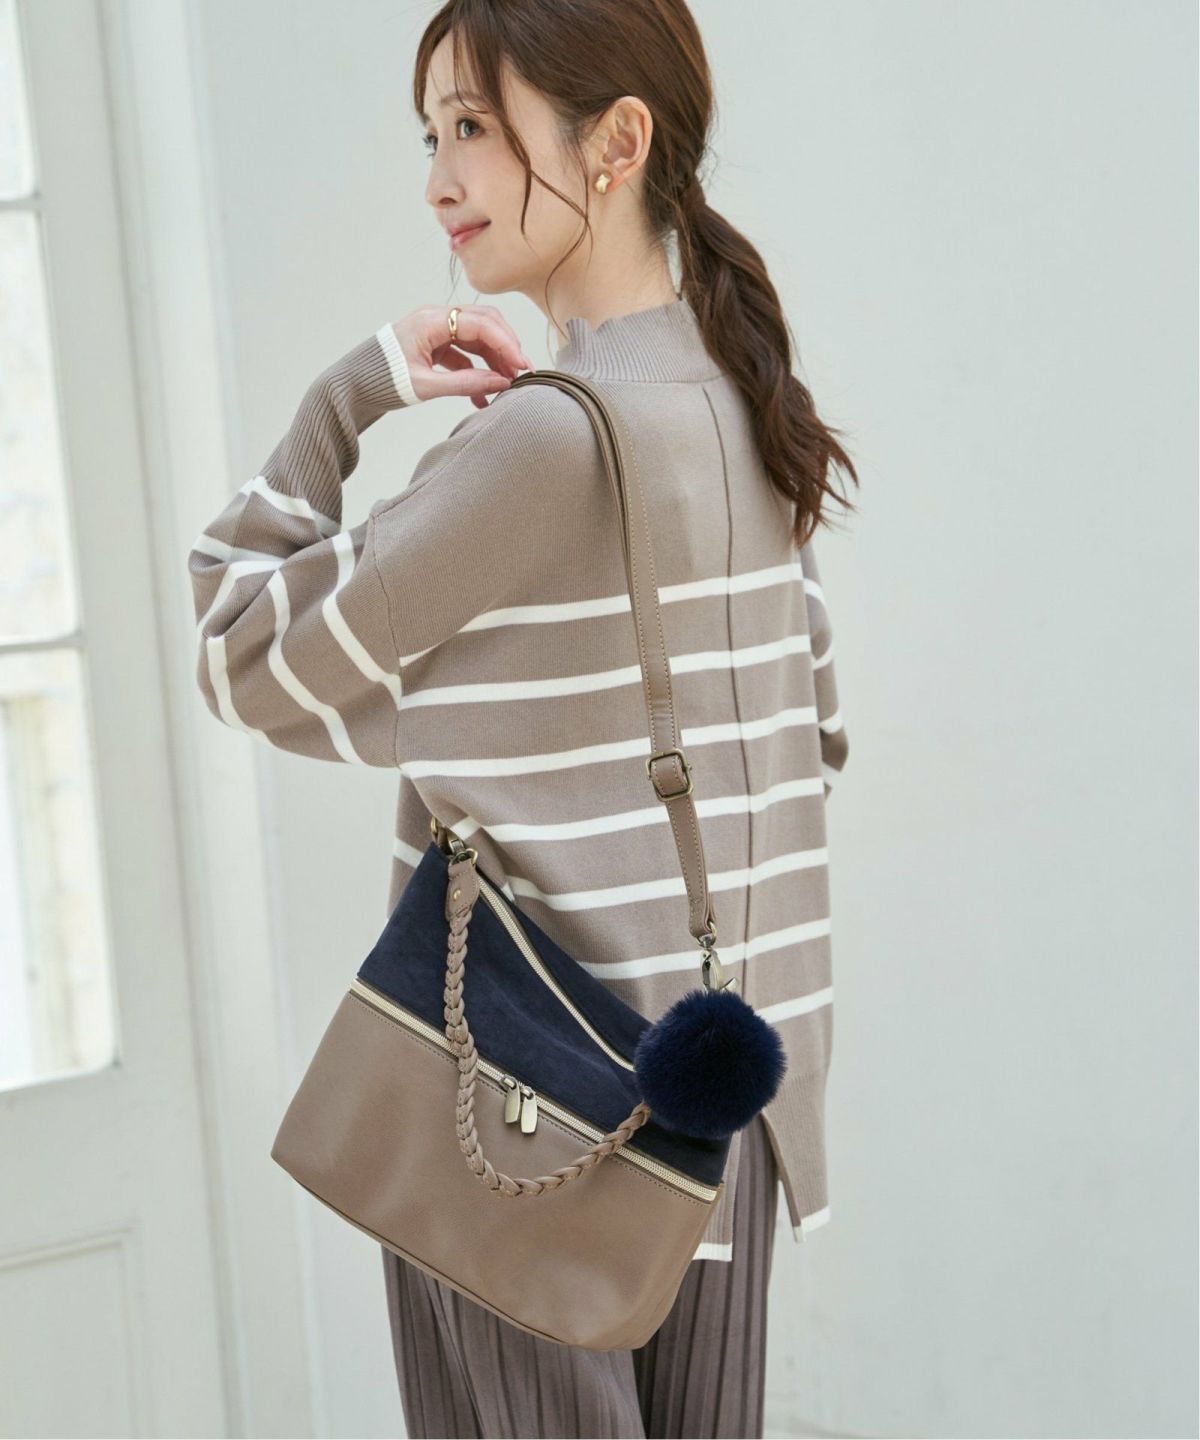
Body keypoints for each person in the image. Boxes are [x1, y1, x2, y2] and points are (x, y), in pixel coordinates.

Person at [188, 0, 858, 1434]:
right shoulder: (749, 399)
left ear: (617, 142)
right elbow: (814, 731)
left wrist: (349, 395)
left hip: (532, 1115)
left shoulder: (544, 440)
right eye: (431, 134)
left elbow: (243, 652)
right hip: (725, 1116)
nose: (439, 180)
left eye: (475, 128)